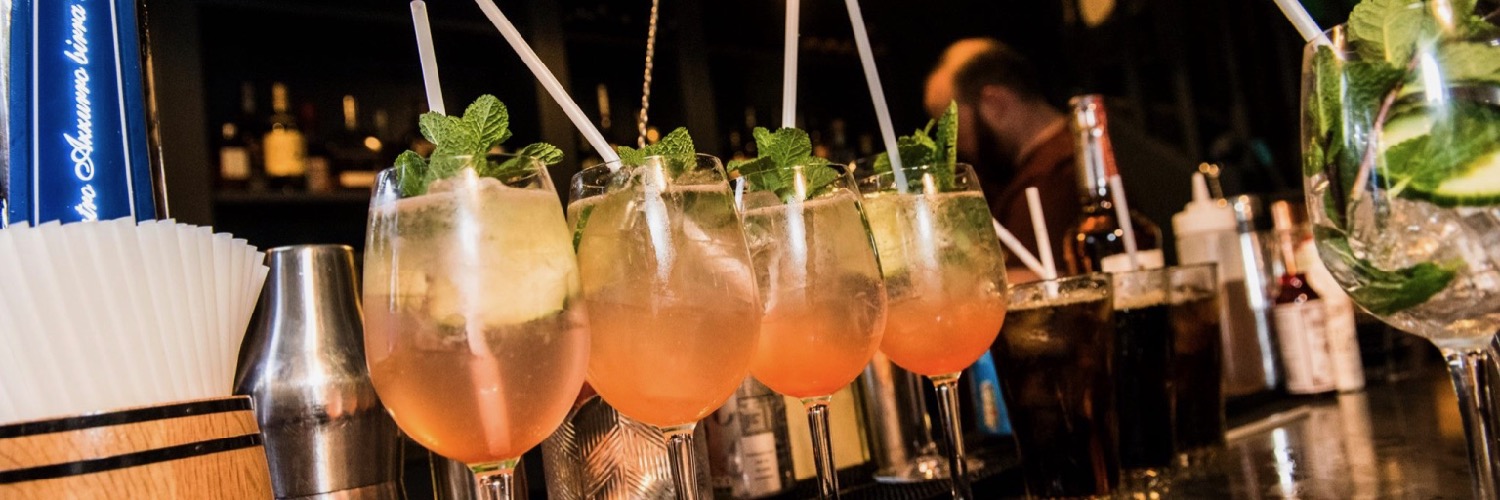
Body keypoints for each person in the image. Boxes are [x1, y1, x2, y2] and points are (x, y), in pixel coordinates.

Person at [924, 38, 1202, 277]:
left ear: (995, 103)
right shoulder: (1075, 154)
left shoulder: (1054, 176)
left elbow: (1043, 286)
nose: (953, 144)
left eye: (950, 123)